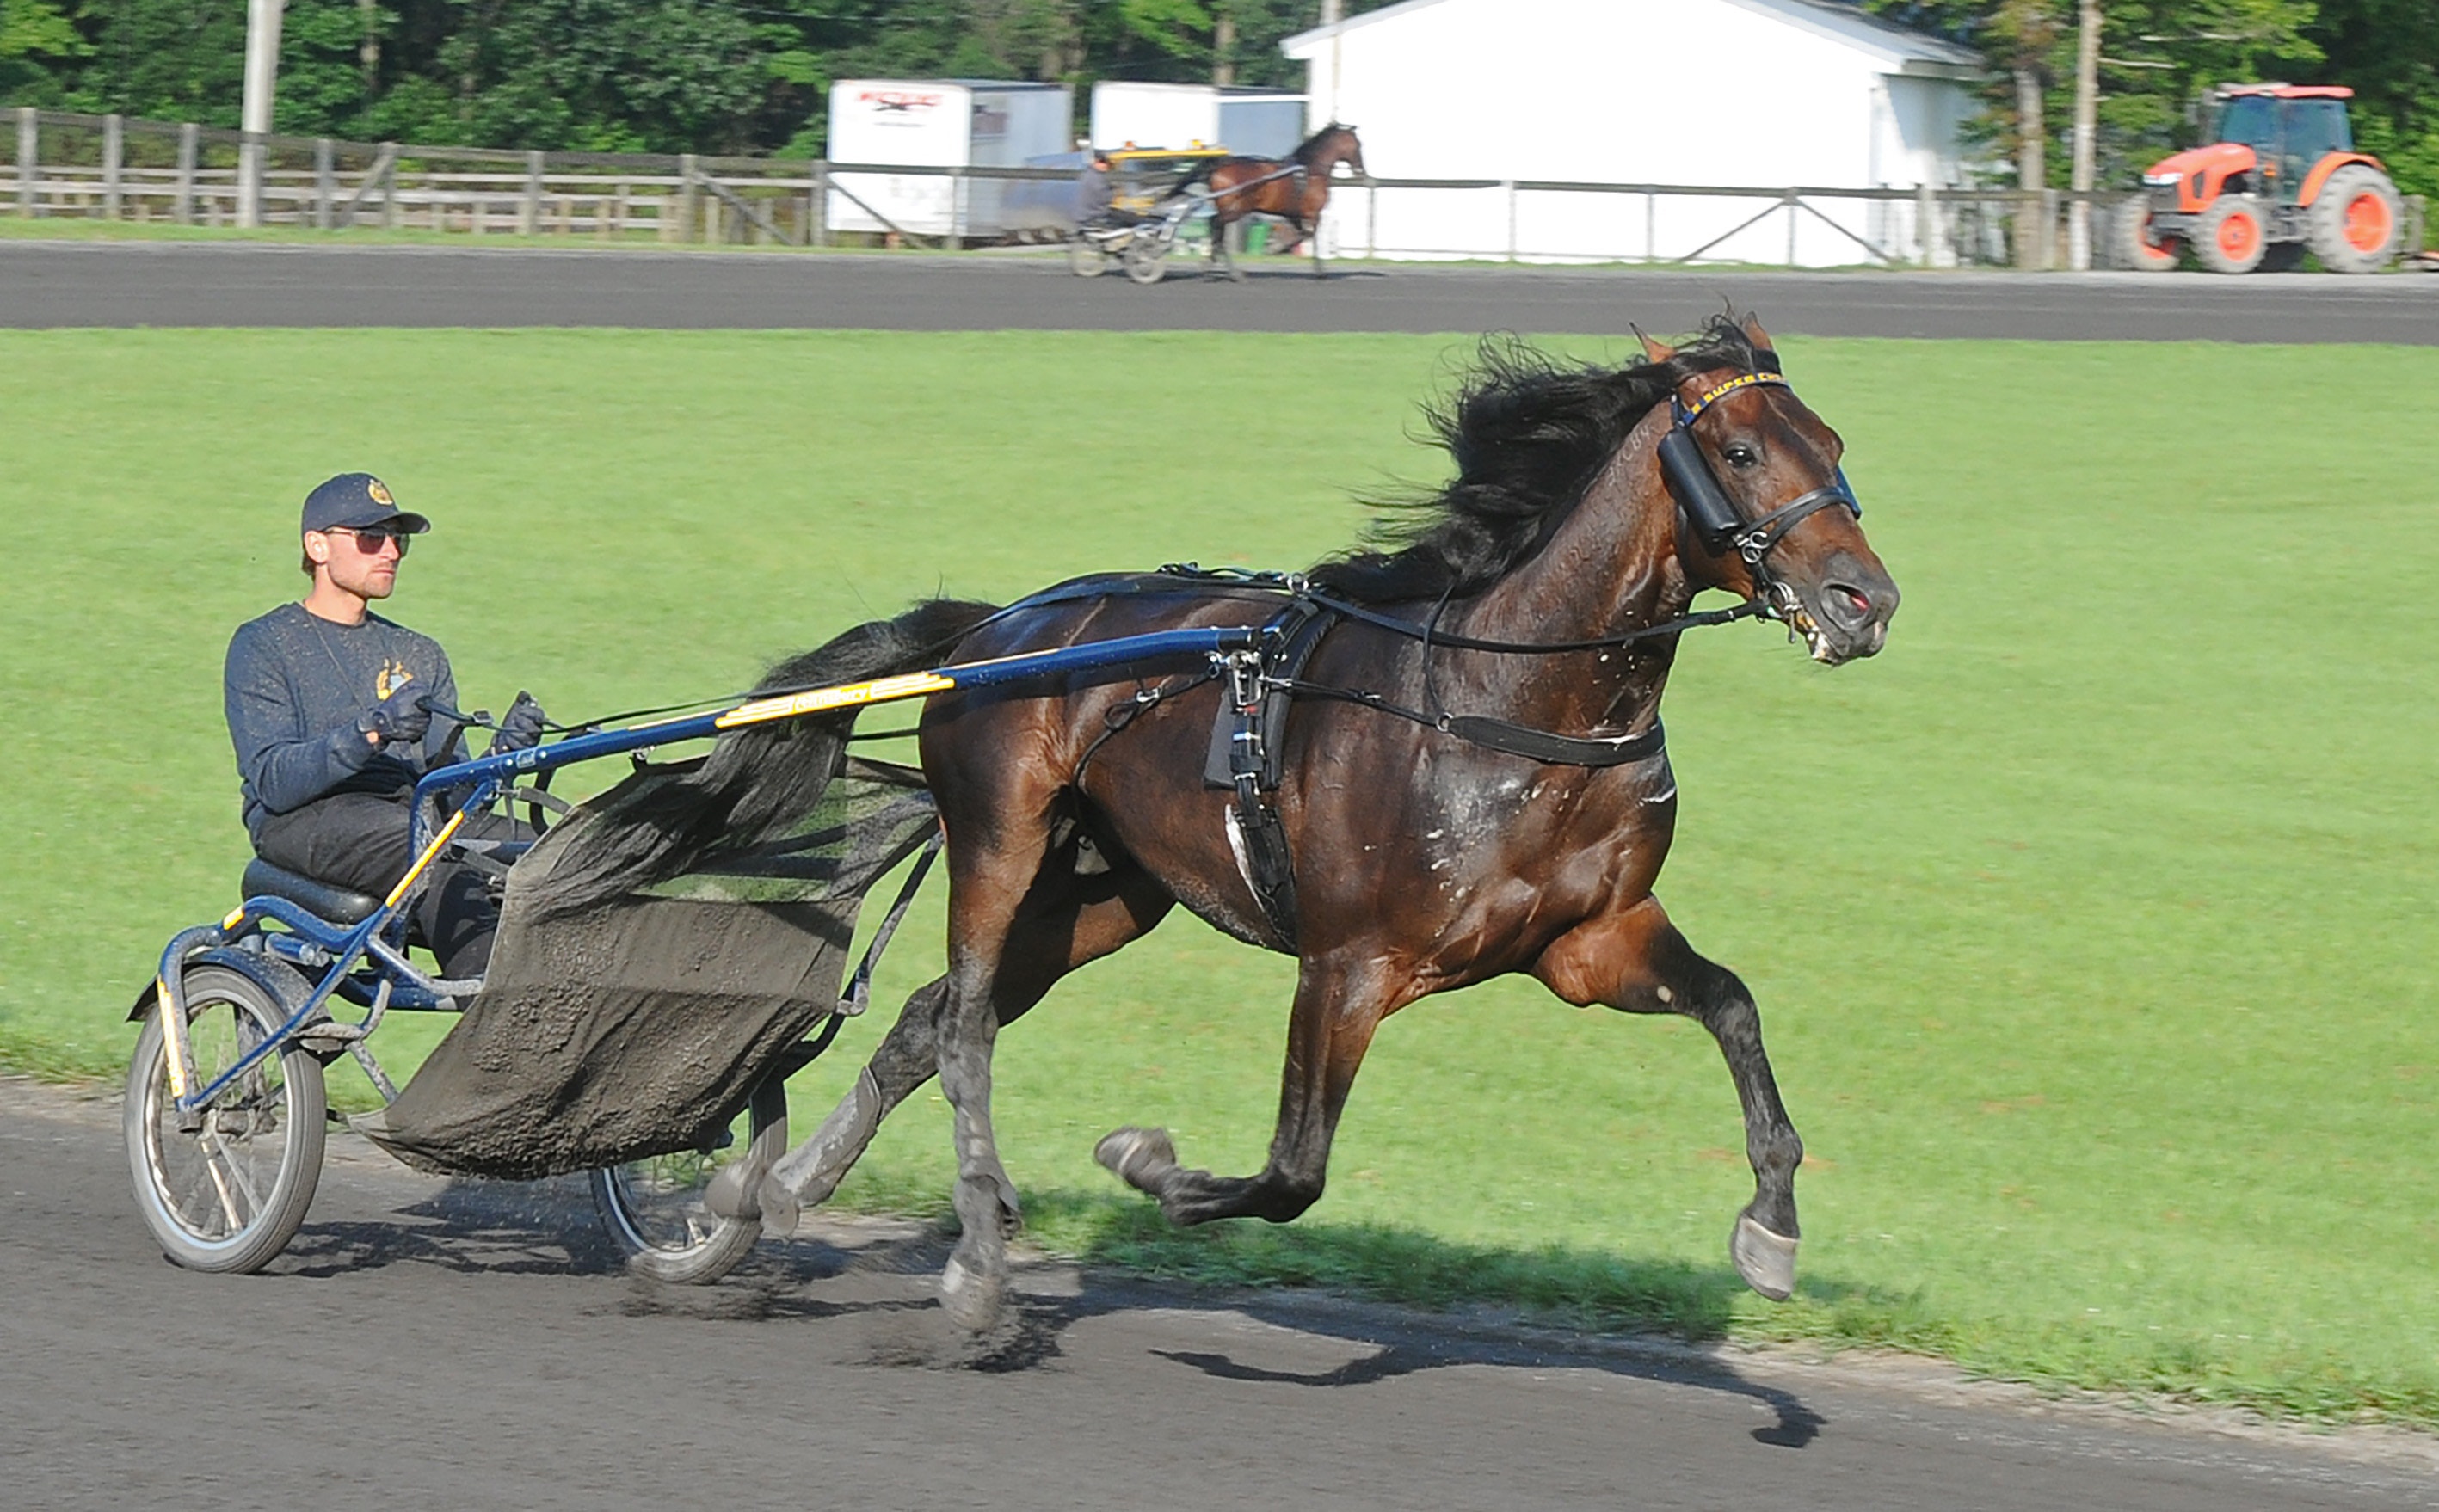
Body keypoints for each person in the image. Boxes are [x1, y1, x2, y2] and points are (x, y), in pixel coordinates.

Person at [223, 473, 545, 979]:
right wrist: (370, 732)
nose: (390, 552)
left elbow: (452, 798)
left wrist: (499, 760)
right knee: (435, 853)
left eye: (399, 540)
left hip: (412, 814)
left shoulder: (420, 653)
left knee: (553, 849)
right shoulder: (264, 644)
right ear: (317, 546)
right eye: (371, 538)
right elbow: (273, 781)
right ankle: (495, 1018)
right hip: (305, 820)